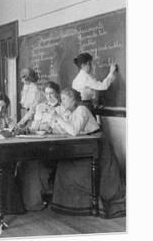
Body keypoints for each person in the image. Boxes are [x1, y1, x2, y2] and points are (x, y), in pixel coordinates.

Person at [48, 88, 125, 218]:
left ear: (73, 99)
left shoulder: (82, 110)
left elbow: (73, 131)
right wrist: (56, 122)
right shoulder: (73, 112)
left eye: (65, 99)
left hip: (98, 147)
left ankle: (86, 204)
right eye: (61, 100)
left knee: (68, 168)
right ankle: (73, 204)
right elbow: (69, 130)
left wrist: (57, 118)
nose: (62, 102)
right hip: (88, 145)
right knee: (64, 165)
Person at [16, 81, 61, 211]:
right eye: (46, 94)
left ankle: (34, 201)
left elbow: (60, 127)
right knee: (23, 162)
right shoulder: (40, 106)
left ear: (57, 94)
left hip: (54, 145)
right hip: (37, 141)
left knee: (34, 164)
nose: (49, 96)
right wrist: (27, 128)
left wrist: (48, 127)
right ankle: (25, 200)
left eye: (51, 93)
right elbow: (34, 124)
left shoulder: (61, 109)